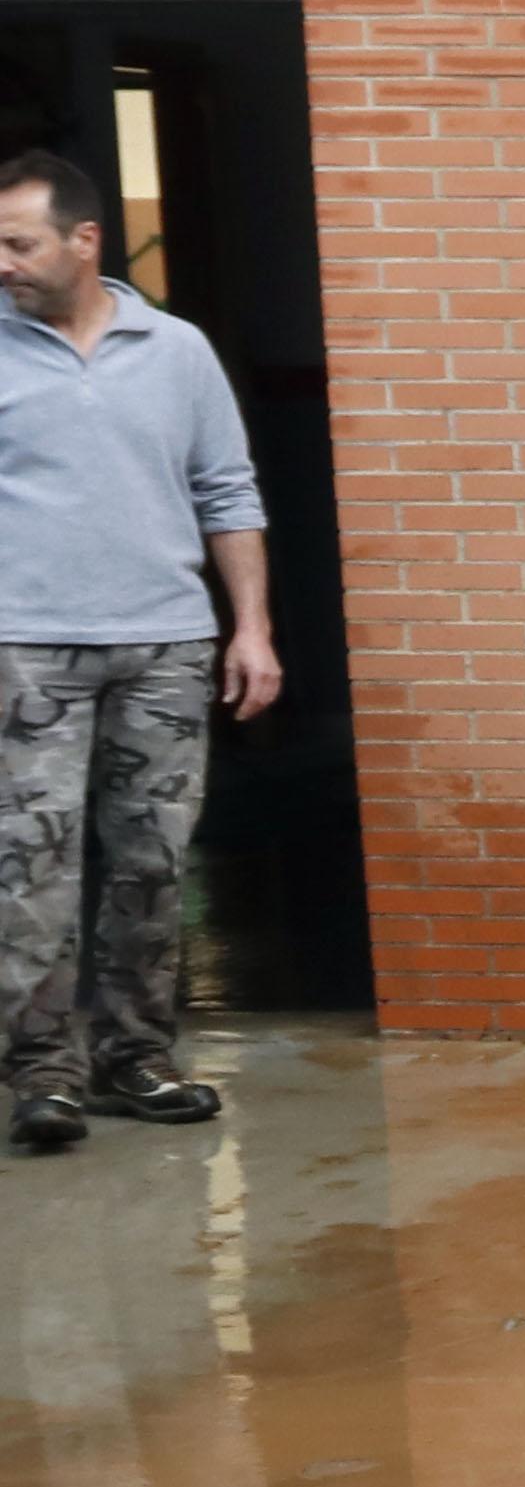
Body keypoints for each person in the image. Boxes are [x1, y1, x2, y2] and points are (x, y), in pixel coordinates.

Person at [0, 151, 276, 1157]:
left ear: (83, 241)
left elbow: (228, 493)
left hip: (164, 644)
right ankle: (43, 1074)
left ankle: (134, 1057)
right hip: (24, 649)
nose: (3, 263)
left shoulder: (178, 351)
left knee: (152, 864)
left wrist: (250, 628)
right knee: (31, 867)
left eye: (18, 242)